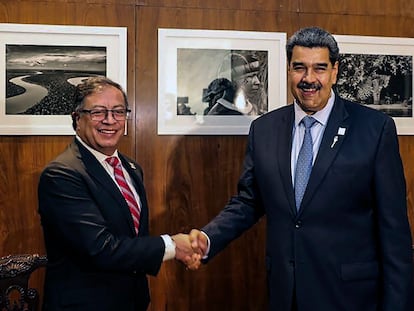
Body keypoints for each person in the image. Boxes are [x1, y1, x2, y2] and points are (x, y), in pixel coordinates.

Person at [189, 27, 414, 311]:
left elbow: (394, 233)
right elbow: (249, 201)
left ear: (335, 71)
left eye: (320, 68)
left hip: (351, 298)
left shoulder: (374, 129)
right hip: (286, 295)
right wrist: (208, 238)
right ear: (289, 71)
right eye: (300, 68)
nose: (309, 79)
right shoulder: (264, 130)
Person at [38, 76, 199, 311]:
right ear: (77, 119)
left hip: (132, 301)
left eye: (118, 111)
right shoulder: (61, 175)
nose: (110, 120)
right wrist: (173, 246)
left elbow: (133, 237)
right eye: (98, 112)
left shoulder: (131, 168)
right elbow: (101, 249)